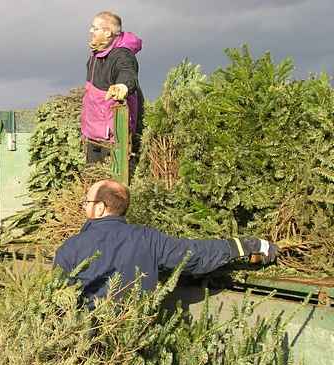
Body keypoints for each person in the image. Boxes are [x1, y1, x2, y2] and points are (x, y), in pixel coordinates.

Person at [54, 180, 278, 306]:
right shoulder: (148, 239)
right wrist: (249, 245)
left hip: (85, 348)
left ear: (101, 207)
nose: (84, 206)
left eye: (87, 202)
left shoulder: (70, 249)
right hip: (135, 341)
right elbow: (195, 255)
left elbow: (55, 300)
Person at [81, 11, 144, 165]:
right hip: (93, 134)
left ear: (107, 32)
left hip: (112, 138)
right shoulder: (96, 55)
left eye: (95, 28)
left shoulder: (122, 55)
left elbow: (127, 73)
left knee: (112, 184)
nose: (91, 31)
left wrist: (123, 85)